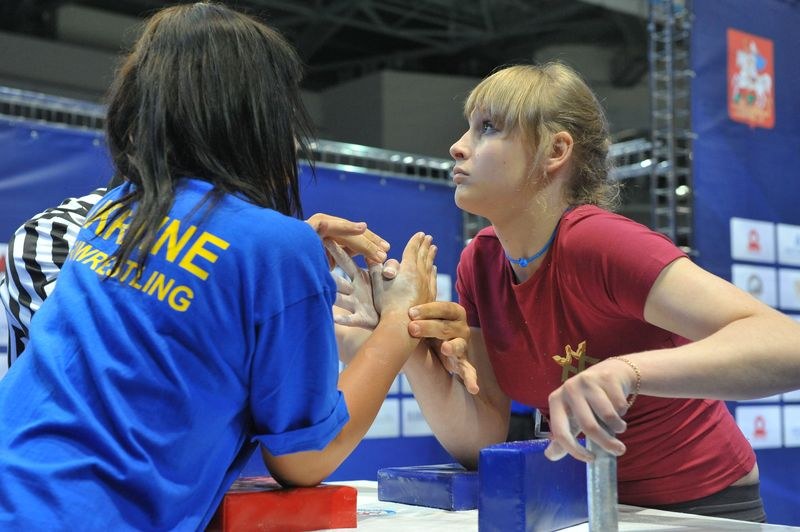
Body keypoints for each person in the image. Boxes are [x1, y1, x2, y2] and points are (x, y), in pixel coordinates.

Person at [0, 3, 436, 529]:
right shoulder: (275, 246)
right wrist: (398, 323)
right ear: (258, 113)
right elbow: (304, 459)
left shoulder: (115, 208)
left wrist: (283, 251)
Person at [334, 62, 800, 522]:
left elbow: (788, 346)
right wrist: (409, 341)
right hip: (584, 505)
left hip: (702, 509)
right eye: (467, 129)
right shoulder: (481, 262)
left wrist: (627, 371)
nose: (457, 147)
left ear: (555, 151)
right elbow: (481, 439)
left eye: (488, 128)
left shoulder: (599, 242)